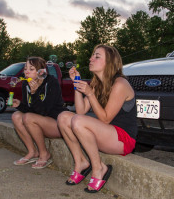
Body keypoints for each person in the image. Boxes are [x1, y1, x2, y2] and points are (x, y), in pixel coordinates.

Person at [57, 44, 137, 193]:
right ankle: (80, 162)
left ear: (109, 62)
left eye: (97, 56)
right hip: (107, 135)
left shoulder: (120, 83)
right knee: (63, 117)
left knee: (77, 121)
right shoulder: (96, 84)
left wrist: (90, 94)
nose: (91, 58)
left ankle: (98, 168)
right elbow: (80, 111)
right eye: (92, 55)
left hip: (123, 139)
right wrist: (76, 85)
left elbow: (105, 119)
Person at [11, 56, 68, 169]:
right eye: (25, 68)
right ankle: (33, 152)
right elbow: (31, 110)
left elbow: (45, 111)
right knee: (16, 116)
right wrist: (20, 105)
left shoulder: (51, 82)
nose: (26, 71)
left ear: (41, 71)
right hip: (39, 121)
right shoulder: (26, 84)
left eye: (31, 69)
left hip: (57, 123)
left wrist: (35, 93)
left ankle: (44, 154)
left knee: (28, 117)